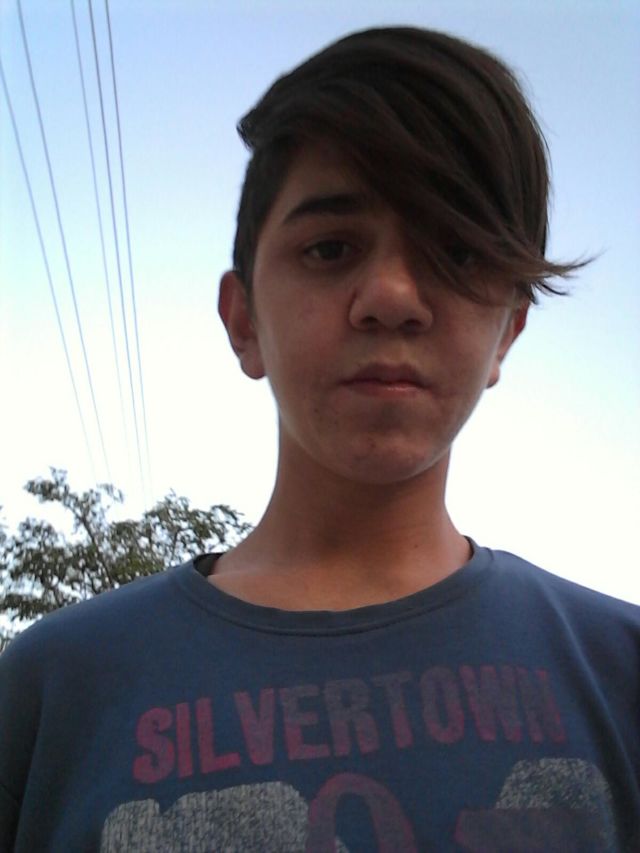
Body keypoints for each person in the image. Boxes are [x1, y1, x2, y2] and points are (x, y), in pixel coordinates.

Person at [1, 25, 638, 852]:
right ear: (243, 321)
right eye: (331, 248)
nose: (392, 296)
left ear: (507, 334)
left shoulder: (620, 674)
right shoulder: (48, 695)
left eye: (455, 251)